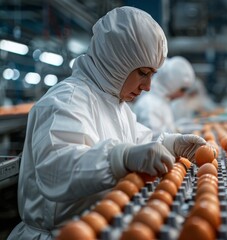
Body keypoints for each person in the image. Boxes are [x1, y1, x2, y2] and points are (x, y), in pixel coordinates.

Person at [8, 7, 206, 239]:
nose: (148, 86)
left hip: (99, 229)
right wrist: (119, 158)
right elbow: (56, 170)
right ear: (117, 62)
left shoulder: (116, 105)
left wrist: (170, 143)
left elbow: (137, 140)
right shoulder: (65, 101)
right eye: (143, 72)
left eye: (153, 74)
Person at [132, 56, 195, 139]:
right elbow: (152, 140)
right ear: (171, 85)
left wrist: (177, 129)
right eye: (182, 90)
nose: (182, 95)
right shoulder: (150, 105)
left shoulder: (162, 102)